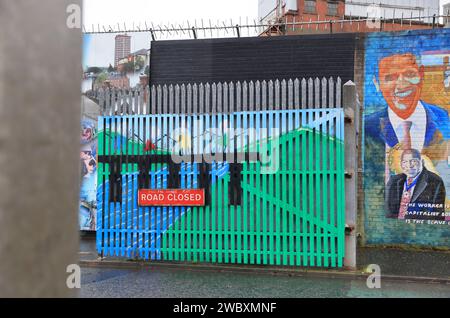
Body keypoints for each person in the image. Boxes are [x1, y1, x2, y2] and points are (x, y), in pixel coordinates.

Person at [365, 53, 449, 157]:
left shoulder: (444, 118)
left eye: (409, 74)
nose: (402, 85)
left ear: (421, 75)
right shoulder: (367, 126)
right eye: (390, 77)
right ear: (377, 83)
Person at [385, 149, 446, 220]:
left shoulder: (435, 181)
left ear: (422, 162)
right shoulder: (394, 181)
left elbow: (438, 215)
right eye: (405, 162)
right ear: (401, 164)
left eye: (413, 161)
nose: (409, 165)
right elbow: (387, 209)